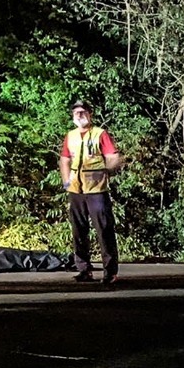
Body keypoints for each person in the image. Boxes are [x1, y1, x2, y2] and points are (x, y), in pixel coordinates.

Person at [60, 101, 123, 285]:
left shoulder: (99, 134)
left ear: (90, 114)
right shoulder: (70, 136)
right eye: (76, 113)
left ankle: (110, 272)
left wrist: (107, 170)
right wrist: (66, 182)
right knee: (78, 230)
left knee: (104, 230)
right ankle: (83, 269)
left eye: (83, 112)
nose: (79, 116)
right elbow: (64, 159)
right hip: (76, 189)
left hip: (96, 190)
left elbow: (113, 156)